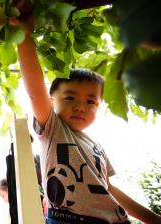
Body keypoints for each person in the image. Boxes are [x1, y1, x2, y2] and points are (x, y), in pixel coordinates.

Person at [11, 17, 161, 224]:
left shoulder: (95, 145)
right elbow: (35, 91)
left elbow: (107, 187)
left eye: (91, 101)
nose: (81, 106)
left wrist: (152, 218)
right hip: (70, 218)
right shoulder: (53, 128)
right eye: (70, 97)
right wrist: (24, 36)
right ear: (52, 100)